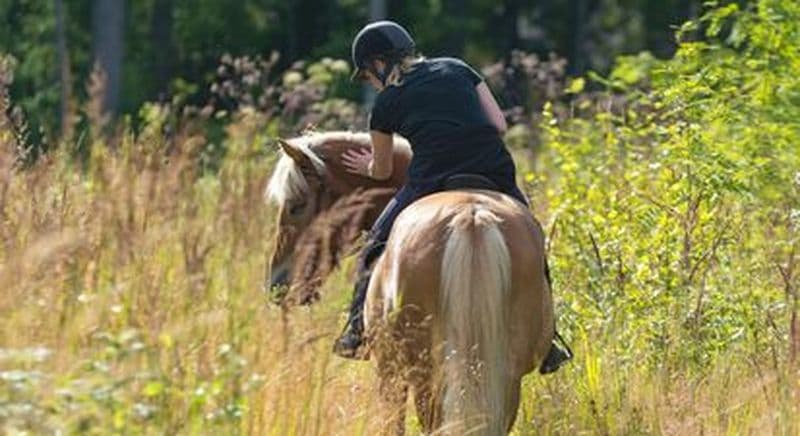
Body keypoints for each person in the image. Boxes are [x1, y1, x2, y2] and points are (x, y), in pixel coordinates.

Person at [333, 20, 572, 374]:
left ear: (378, 64)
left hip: (431, 180)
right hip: (494, 171)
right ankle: (549, 337)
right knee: (532, 238)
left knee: (372, 246)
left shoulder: (385, 104)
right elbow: (499, 126)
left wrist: (368, 165)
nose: (370, 81)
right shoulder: (458, 68)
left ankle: (355, 331)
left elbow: (382, 172)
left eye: (367, 74)